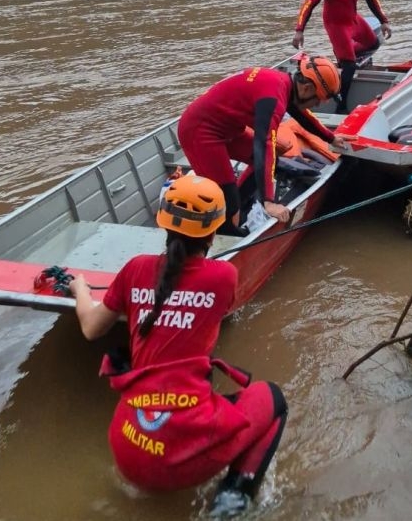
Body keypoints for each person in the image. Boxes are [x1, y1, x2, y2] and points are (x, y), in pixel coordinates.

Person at [68, 174, 287, 518]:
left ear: (162, 223)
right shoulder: (223, 276)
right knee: (273, 399)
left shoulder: (135, 268)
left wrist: (79, 289)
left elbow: (91, 329)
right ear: (213, 233)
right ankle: (232, 501)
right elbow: (214, 304)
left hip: (127, 448)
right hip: (179, 457)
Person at [177, 55, 355, 235]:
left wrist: (331, 138)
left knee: (263, 165)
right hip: (200, 132)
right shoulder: (273, 98)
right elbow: (263, 145)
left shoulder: (283, 84)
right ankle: (224, 233)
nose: (316, 105)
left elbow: (301, 115)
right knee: (227, 201)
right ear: (307, 88)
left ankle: (238, 205)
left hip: (227, 130)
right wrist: (268, 202)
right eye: (317, 100)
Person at [292, 0, 392, 114]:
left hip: (353, 19)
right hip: (336, 25)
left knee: (374, 43)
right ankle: (342, 104)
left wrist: (384, 20)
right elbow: (309, 3)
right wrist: (299, 30)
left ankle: (345, 57)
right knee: (350, 66)